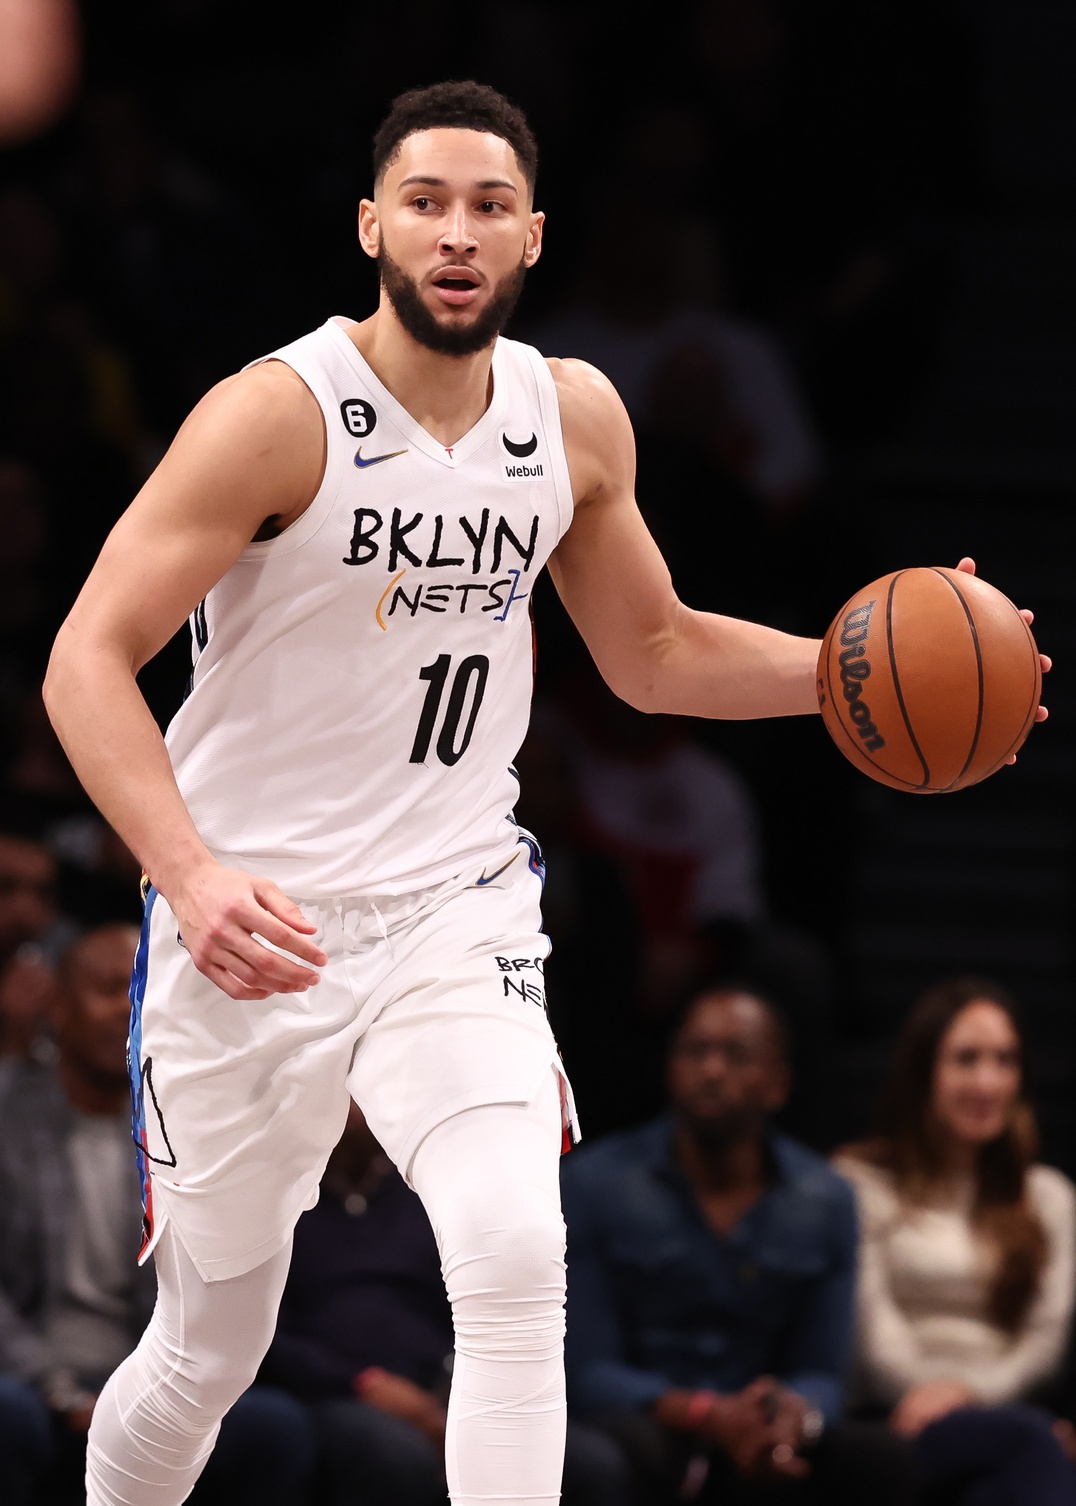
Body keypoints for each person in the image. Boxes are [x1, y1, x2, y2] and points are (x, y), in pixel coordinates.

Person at [40, 80, 1045, 1506]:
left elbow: (657, 649)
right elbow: (85, 659)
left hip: (458, 907)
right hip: (255, 919)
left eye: (490, 206)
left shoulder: (569, 416)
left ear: (532, 237)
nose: (458, 232)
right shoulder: (273, 416)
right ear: (373, 225)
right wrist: (189, 875)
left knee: (516, 1258)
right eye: (430, 203)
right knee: (214, 1346)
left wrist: (856, 670)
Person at [560, 984, 919, 1504]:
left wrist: (791, 1413)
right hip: (645, 1425)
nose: (711, 1070)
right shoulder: (595, 1182)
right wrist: (706, 1414)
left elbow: (823, 1372)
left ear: (778, 1084)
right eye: (695, 1051)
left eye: (736, 1055)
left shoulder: (826, 1199)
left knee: (883, 1459)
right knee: (597, 1455)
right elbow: (587, 1370)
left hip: (760, 1427)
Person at [0, 922, 315, 1506]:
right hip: (30, 1375)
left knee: (274, 1427)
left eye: (138, 988)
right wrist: (58, 1389)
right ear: (59, 1007)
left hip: (149, 1367)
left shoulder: (184, 1123)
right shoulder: (7, 1116)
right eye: (106, 988)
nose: (126, 1007)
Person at [262, 1100, 630, 1506]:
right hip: (337, 1393)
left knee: (592, 1463)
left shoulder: (428, 1191)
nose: (350, 1109)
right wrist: (362, 1382)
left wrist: (460, 1382)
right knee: (395, 1458)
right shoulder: (282, 1203)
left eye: (357, 1094)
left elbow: (479, 1297)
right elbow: (268, 1334)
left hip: (444, 1382)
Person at [834, 977, 1076, 1506]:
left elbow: (1044, 1344)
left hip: (1005, 1414)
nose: (987, 1082)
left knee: (993, 1490)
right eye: (965, 1059)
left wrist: (970, 1397)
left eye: (1005, 1061)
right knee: (1035, 1444)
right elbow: (870, 1335)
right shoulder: (860, 1184)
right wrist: (933, 1398)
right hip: (893, 1419)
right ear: (923, 1072)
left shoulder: (1049, 1196)